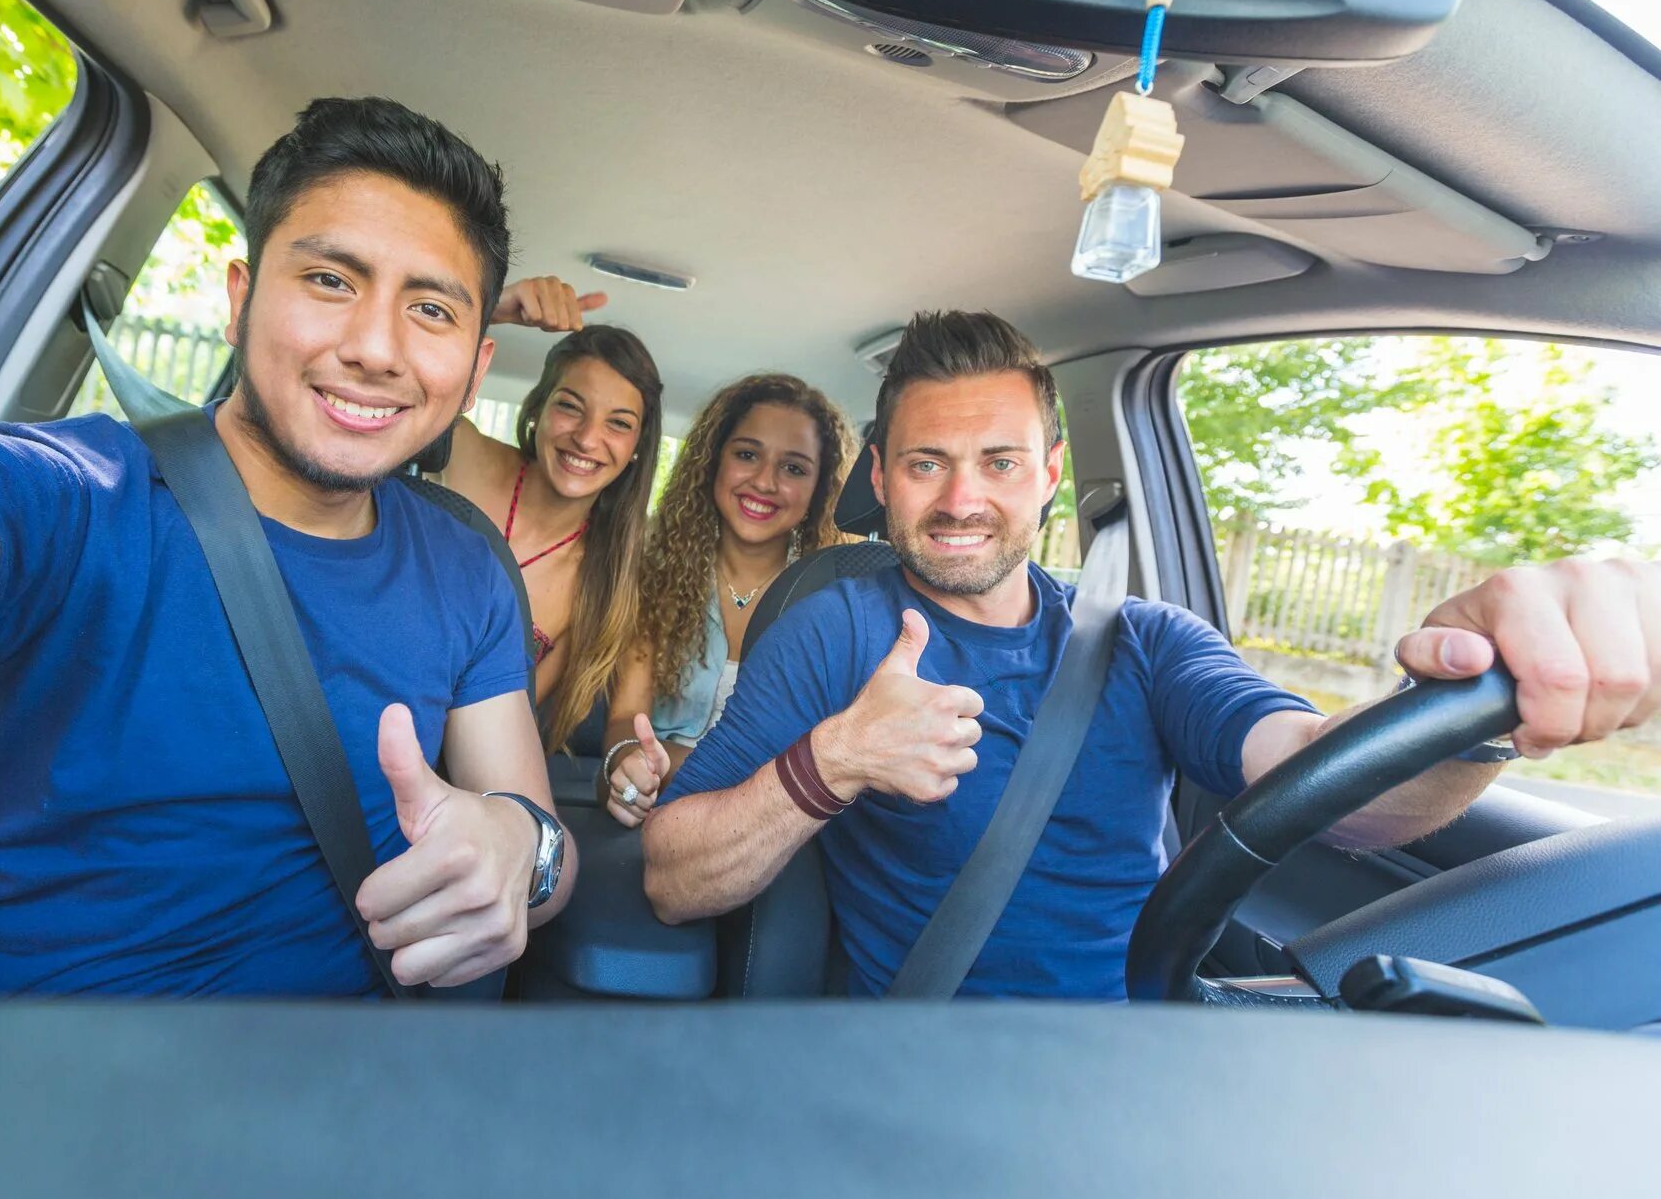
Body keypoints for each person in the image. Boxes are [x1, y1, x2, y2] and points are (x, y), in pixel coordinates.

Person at [0, 96, 580, 995]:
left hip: (342, 1094)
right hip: (40, 1097)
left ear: (474, 369)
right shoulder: (78, 499)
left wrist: (517, 845)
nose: (376, 347)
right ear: (240, 298)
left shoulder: (467, 571)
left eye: (431, 311)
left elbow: (540, 834)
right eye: (331, 280)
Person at [643, 310, 1661, 999]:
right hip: (930, 1061)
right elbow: (674, 878)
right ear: (880, 474)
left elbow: (1332, 785)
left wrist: (1474, 698)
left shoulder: (1144, 641)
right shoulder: (838, 625)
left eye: (997, 462)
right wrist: (836, 761)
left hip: (1153, 1052)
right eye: (926, 463)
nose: (961, 499)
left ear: (1048, 473)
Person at [595, 373, 855, 828]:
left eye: (793, 468)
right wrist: (629, 761)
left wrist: (679, 760)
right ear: (714, 460)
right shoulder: (657, 572)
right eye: (748, 455)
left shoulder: (831, 598)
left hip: (771, 829)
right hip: (653, 811)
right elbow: (625, 717)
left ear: (819, 489)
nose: (765, 482)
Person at [433, 305, 665, 754]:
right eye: (570, 407)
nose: (586, 438)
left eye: (618, 423)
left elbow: (506, 725)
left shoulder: (603, 584)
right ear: (538, 407)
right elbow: (411, 378)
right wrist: (490, 309)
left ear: (638, 446)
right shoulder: (462, 453)